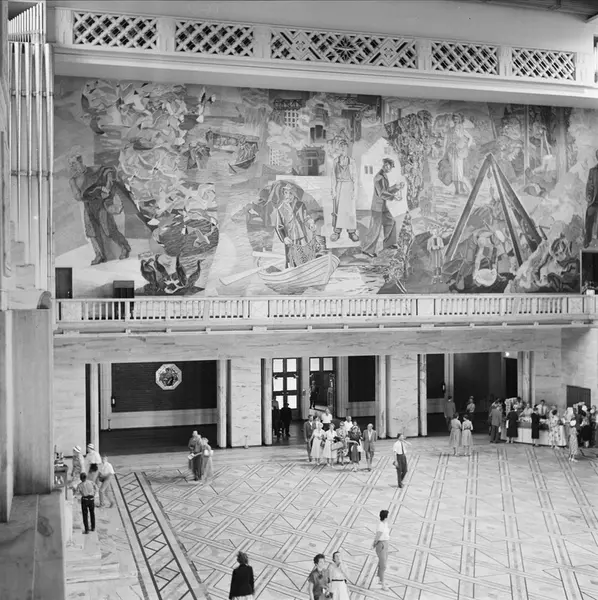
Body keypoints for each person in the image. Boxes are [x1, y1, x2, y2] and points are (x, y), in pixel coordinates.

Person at [68, 153, 131, 265]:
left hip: (101, 203)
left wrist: (107, 186)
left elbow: (108, 171)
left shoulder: (95, 169)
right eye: (70, 164)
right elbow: (77, 196)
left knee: (109, 229)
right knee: (91, 232)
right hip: (88, 206)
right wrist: (93, 192)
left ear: (80, 161)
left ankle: (124, 247)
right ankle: (99, 255)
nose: (72, 166)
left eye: (74, 163)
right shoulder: (73, 180)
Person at [361, 158, 402, 258]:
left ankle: (389, 243)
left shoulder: (383, 175)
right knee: (375, 229)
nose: (390, 169)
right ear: (386, 165)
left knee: (391, 221)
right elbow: (382, 193)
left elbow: (386, 190)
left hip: (383, 206)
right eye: (390, 167)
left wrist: (396, 187)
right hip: (377, 207)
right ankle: (367, 249)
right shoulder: (378, 178)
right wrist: (394, 197)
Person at [275, 183, 316, 268]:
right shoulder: (280, 209)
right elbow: (279, 226)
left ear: (294, 194)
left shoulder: (300, 205)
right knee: (292, 261)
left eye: (290, 193)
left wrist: (311, 224)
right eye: (286, 193)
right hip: (290, 240)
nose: (288, 196)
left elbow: (306, 217)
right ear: (283, 194)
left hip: (303, 237)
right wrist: (284, 238)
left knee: (306, 257)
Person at [330, 139, 359, 243]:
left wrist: (355, 192)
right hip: (339, 186)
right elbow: (333, 177)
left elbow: (355, 177)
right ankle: (337, 232)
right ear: (338, 150)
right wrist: (333, 190)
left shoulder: (352, 162)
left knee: (350, 211)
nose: (343, 150)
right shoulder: (335, 161)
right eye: (341, 148)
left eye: (345, 148)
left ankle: (351, 232)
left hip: (349, 186)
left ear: (347, 149)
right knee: (338, 210)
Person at [372, 510, 390, 591]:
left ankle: (379, 579)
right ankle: (383, 584)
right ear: (386, 517)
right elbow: (377, 536)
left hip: (385, 543)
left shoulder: (385, 523)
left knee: (382, 563)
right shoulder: (381, 526)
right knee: (383, 565)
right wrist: (374, 544)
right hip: (381, 544)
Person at [584, 149, 598, 247]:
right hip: (594, 202)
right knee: (589, 216)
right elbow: (589, 186)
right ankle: (587, 241)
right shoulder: (593, 171)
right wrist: (589, 196)